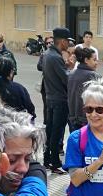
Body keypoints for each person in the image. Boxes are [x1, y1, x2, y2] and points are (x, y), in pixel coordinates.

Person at [42, 27, 73, 174]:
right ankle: (55, 163)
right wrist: (71, 69)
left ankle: (47, 160)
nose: (69, 44)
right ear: (62, 41)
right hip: (59, 100)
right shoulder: (55, 57)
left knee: (51, 131)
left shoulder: (48, 54)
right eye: (68, 41)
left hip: (50, 98)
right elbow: (67, 79)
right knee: (57, 132)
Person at [68, 47, 101, 132]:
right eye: (94, 60)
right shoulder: (94, 76)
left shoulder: (71, 74)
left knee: (76, 142)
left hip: (72, 117)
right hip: (88, 119)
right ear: (86, 60)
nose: (96, 63)